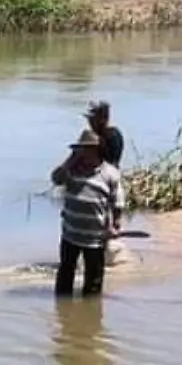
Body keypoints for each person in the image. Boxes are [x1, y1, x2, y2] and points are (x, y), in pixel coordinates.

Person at [50, 128, 125, 298]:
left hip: (95, 238)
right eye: (80, 149)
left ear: (96, 150)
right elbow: (55, 179)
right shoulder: (72, 170)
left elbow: (117, 202)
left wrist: (115, 225)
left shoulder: (110, 174)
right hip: (70, 234)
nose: (82, 153)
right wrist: (69, 161)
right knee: (65, 275)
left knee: (94, 281)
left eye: (86, 149)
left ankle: (91, 313)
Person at [85, 100, 126, 168]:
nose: (90, 124)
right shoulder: (108, 133)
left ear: (101, 120)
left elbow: (111, 161)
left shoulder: (109, 136)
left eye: (92, 120)